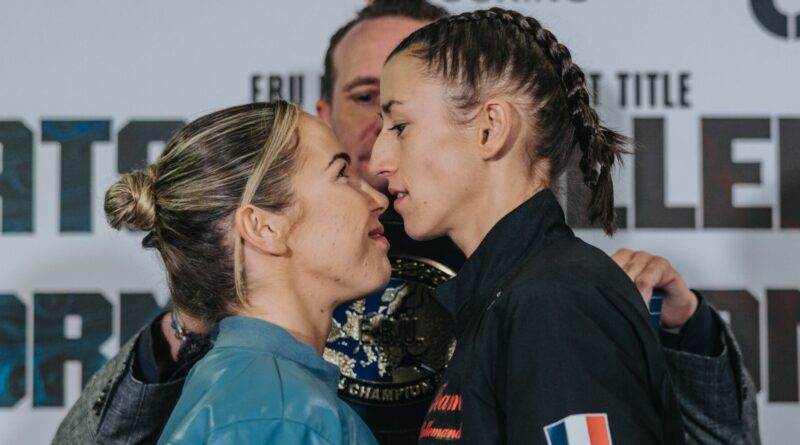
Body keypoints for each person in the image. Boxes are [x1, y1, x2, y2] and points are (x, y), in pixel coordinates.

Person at [54, 2, 758, 445]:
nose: (380, 150)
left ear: (484, 124)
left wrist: (686, 339)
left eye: (402, 113)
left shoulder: (543, 286)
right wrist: (196, 314)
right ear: (324, 118)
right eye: (370, 102)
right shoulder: (261, 290)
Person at [368, 7, 755, 444]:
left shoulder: (553, 302)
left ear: (490, 129)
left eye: (399, 126)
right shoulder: (512, 296)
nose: (378, 159)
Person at [107, 101, 392, 444]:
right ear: (263, 227)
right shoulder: (284, 414)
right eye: (341, 174)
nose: (378, 199)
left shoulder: (255, 393)